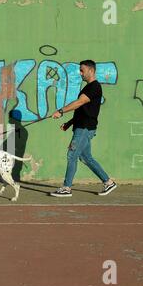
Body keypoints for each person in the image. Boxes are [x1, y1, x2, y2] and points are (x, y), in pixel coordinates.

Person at [50, 60, 117, 197]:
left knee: (72, 155)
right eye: (80, 70)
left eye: (82, 70)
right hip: (81, 127)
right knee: (86, 157)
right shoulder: (87, 87)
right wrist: (69, 123)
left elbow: (80, 102)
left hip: (85, 128)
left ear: (91, 71)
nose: (80, 73)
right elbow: (83, 110)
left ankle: (66, 188)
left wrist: (61, 111)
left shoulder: (94, 87)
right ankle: (108, 182)